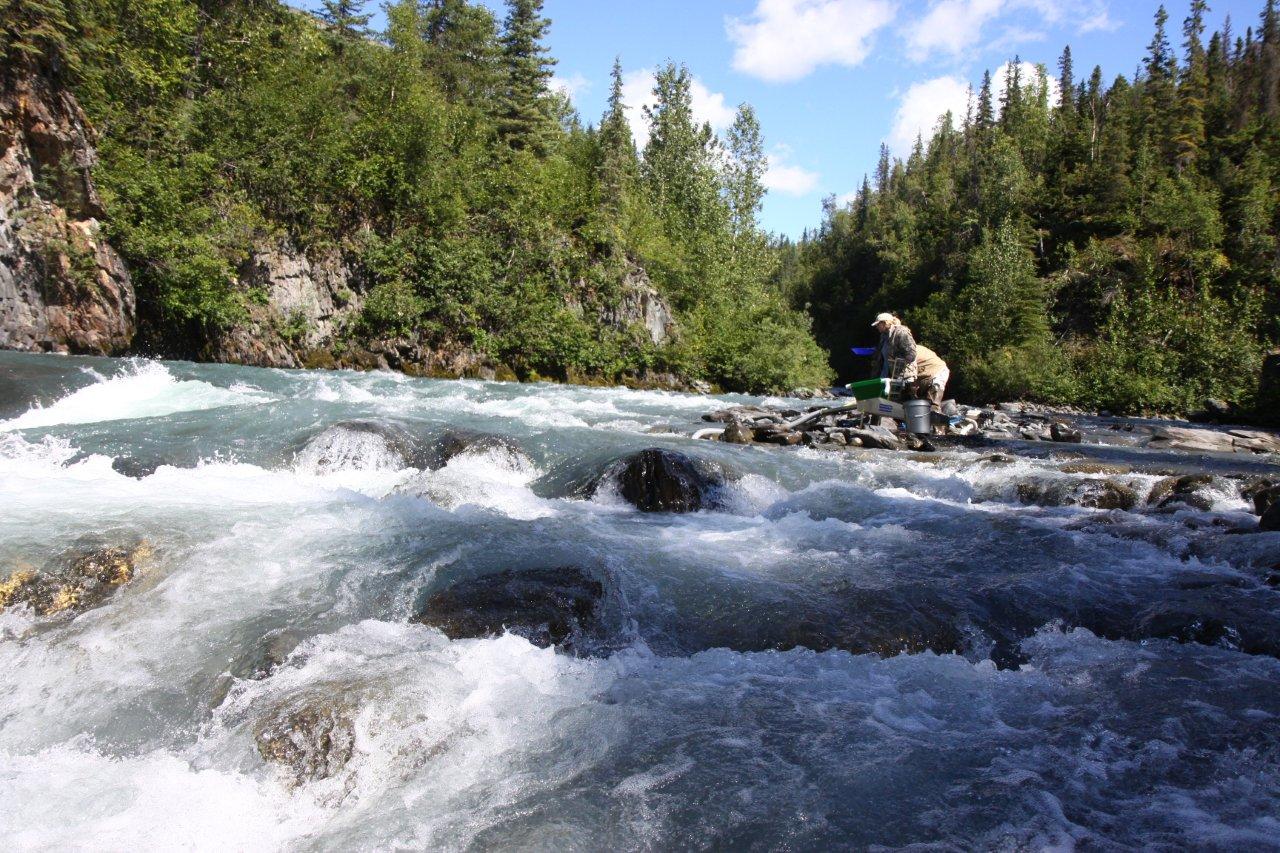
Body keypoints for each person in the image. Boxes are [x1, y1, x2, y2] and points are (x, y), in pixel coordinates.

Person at [871, 313, 917, 382]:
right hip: (889, 377)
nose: (876, 327)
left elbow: (911, 354)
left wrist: (897, 365)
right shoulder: (883, 336)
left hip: (904, 377)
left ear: (885, 323)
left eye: (878, 324)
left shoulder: (901, 332)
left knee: (906, 392)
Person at [913, 343, 950, 408]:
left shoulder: (910, 351)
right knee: (921, 405)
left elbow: (908, 374)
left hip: (938, 372)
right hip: (926, 374)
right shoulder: (912, 348)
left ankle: (933, 414)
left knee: (932, 405)